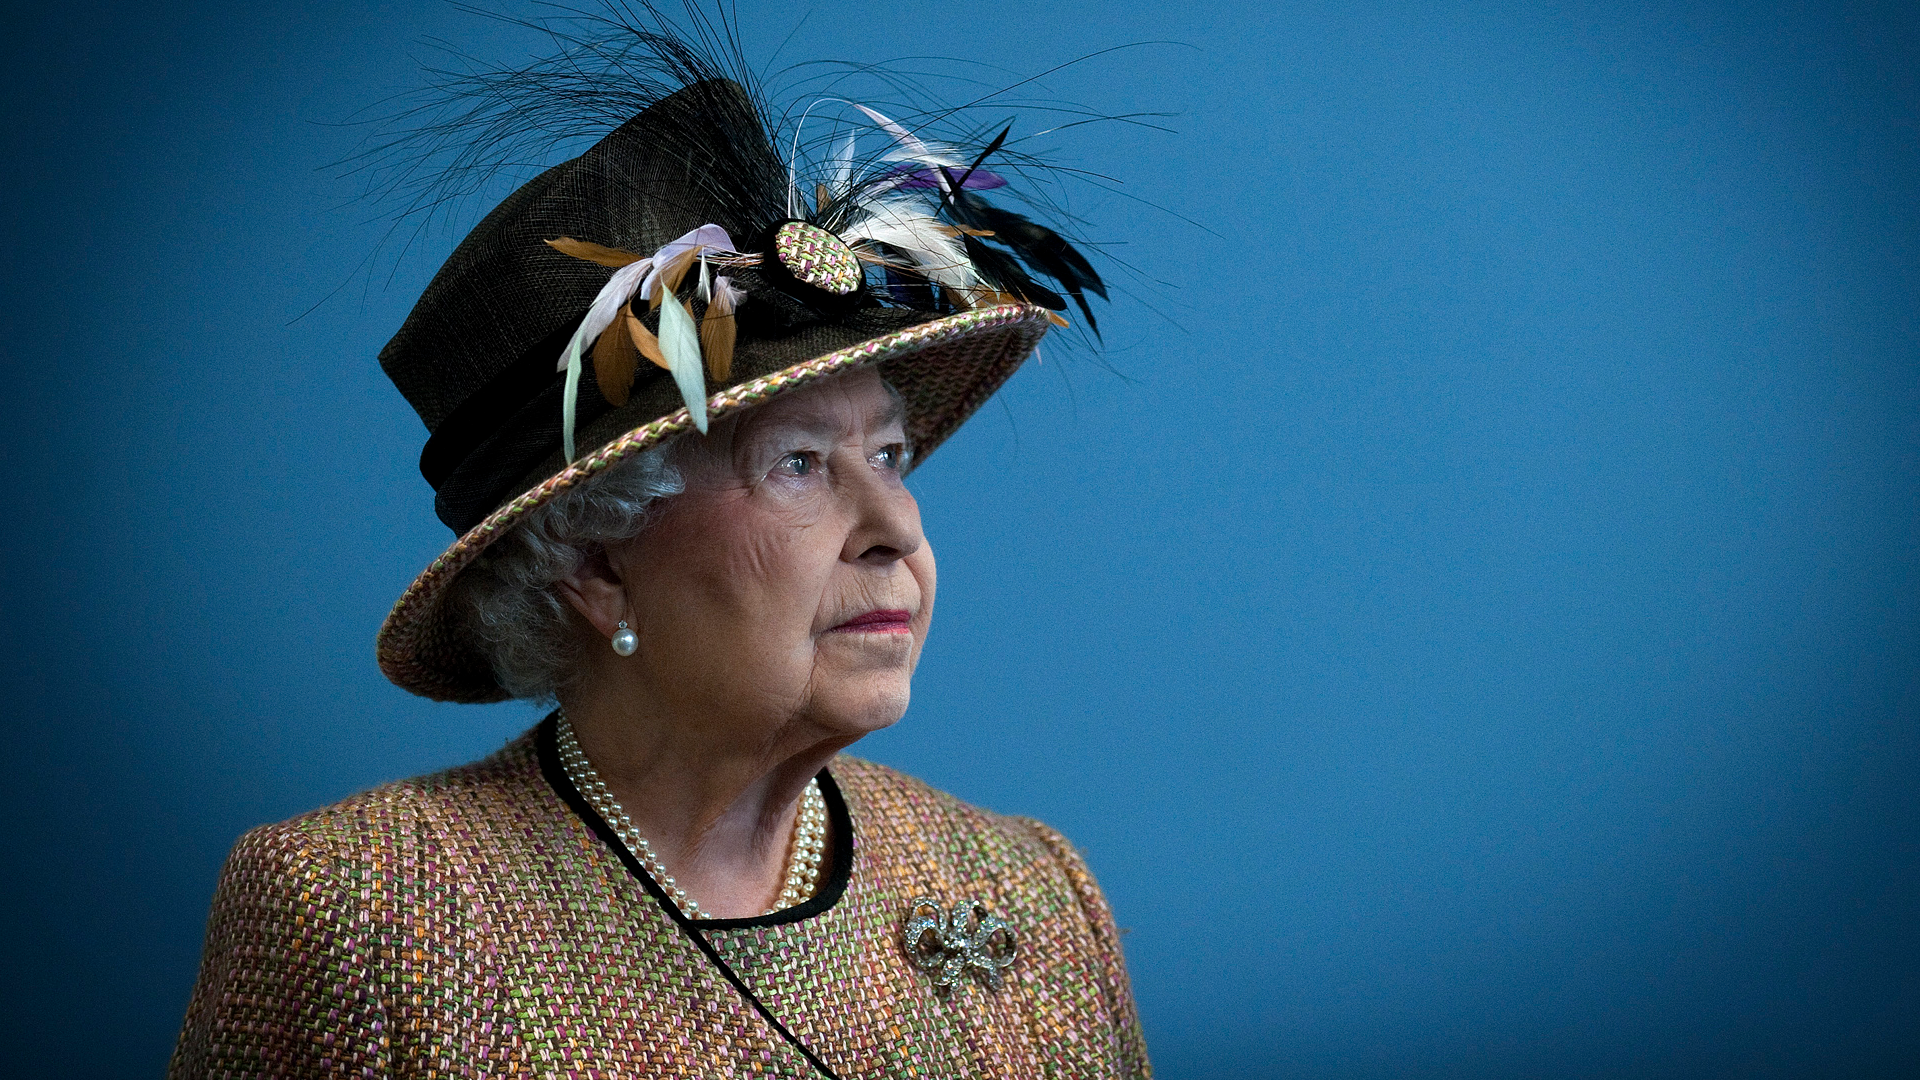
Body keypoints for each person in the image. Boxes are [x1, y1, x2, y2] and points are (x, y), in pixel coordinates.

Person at [170, 16, 1146, 1079]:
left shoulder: (1033, 894)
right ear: (595, 564)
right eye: (797, 465)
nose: (898, 531)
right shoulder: (364, 913)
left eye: (890, 456)